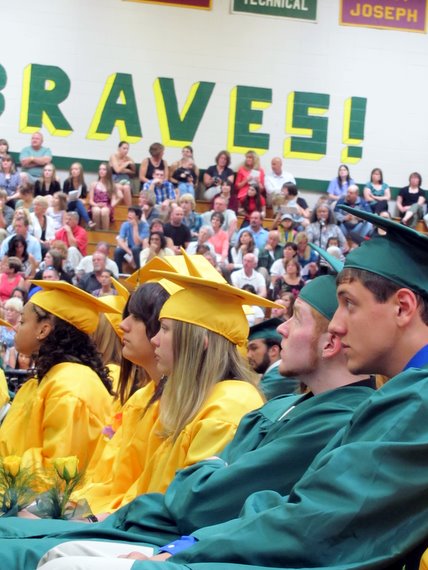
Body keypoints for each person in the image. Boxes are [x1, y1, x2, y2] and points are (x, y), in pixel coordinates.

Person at [14, 266, 376, 569]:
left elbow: (203, 497)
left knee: (32, 555)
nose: (281, 328)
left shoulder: (237, 405)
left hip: (168, 538)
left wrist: (174, 534)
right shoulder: (278, 407)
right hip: (144, 524)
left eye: (164, 328)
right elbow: (182, 486)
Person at [0, 281, 119, 479]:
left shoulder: (69, 388)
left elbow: (56, 473)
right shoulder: (50, 379)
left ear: (43, 330)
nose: (16, 329)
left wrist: (8, 468)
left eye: (22, 322)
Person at [247, 317, 299, 400]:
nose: (248, 355)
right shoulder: (274, 374)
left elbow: (249, 401)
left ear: (273, 350)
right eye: (248, 350)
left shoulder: (281, 377)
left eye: (254, 348)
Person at [114, 206, 150, 272]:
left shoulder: (145, 226)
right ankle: (118, 274)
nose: (129, 215)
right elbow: (120, 241)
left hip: (140, 249)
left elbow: (137, 243)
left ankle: (140, 272)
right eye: (129, 212)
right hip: (130, 249)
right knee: (118, 251)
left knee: (135, 249)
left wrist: (135, 227)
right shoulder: (125, 224)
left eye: (132, 212)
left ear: (137, 216)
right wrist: (130, 252)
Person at [88, 163, 121, 230]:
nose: (101, 171)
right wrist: (97, 205)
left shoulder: (112, 185)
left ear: (108, 172)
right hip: (95, 205)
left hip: (106, 206)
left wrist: (119, 198)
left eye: (104, 169)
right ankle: (97, 231)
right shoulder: (94, 184)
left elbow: (113, 203)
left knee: (104, 211)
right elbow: (90, 201)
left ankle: (105, 232)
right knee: (96, 210)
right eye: (100, 169)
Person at [62, 162, 93, 228]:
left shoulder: (83, 184)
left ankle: (76, 229)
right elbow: (64, 196)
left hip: (77, 206)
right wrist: (68, 198)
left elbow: (84, 199)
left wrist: (82, 200)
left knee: (77, 210)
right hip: (67, 205)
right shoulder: (67, 182)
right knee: (77, 201)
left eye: (76, 169)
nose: (73, 171)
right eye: (72, 169)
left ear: (80, 171)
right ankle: (89, 221)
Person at [109, 141, 136, 206]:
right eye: (124, 148)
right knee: (119, 187)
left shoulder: (128, 158)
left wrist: (126, 170)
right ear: (119, 148)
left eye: (127, 149)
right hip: (114, 179)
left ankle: (129, 209)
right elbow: (117, 170)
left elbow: (133, 171)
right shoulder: (113, 156)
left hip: (125, 179)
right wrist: (126, 163)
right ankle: (112, 208)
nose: (126, 150)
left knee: (126, 187)